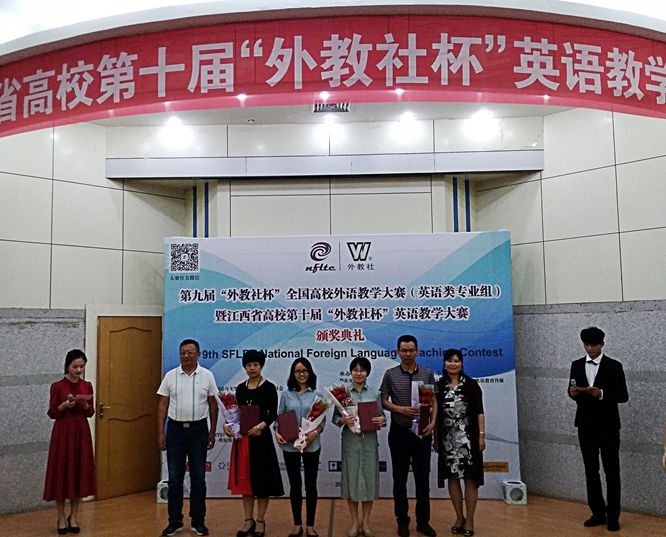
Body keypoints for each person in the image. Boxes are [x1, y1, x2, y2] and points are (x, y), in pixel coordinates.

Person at [568, 327, 628, 532]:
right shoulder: (576, 365)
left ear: (602, 344)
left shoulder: (614, 366)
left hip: (608, 426)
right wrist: (573, 393)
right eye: (586, 345)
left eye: (593, 345)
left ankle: (613, 516)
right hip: (585, 425)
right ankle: (597, 512)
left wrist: (602, 393)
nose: (590, 348)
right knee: (590, 470)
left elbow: (623, 395)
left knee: (612, 470)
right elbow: (571, 390)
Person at [157, 339, 219, 537]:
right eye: (183, 352)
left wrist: (212, 431)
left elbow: (213, 405)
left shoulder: (207, 376)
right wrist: (161, 432)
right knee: (175, 479)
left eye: (190, 352)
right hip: (175, 431)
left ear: (198, 354)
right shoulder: (170, 376)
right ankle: (174, 521)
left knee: (198, 479)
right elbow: (163, 404)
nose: (186, 356)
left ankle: (198, 521)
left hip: (198, 430)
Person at [380, 335, 438, 537]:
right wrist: (400, 409)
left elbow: (434, 400)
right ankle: (402, 521)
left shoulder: (427, 373)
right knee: (399, 481)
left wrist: (432, 423)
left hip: (422, 433)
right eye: (404, 350)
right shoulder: (390, 374)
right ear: (398, 352)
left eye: (411, 350)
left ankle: (423, 522)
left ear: (417, 351)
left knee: (423, 480)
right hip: (399, 433)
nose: (407, 354)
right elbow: (383, 400)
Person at [224, 350, 284, 537]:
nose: (252, 368)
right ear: (244, 367)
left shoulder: (269, 387)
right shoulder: (240, 389)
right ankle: (248, 520)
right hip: (244, 441)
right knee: (246, 482)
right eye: (249, 365)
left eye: (255, 364)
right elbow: (235, 414)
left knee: (262, 483)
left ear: (261, 365)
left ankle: (260, 520)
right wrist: (228, 426)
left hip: (262, 440)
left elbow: (272, 413)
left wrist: (261, 426)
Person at [44, 349, 96, 535]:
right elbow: (52, 413)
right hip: (63, 433)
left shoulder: (87, 385)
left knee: (78, 473)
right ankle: (60, 517)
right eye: (75, 366)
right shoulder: (57, 386)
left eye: (82, 366)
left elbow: (90, 412)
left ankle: (73, 516)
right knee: (61, 473)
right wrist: (64, 406)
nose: (79, 370)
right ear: (67, 366)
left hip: (81, 432)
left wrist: (85, 404)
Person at [434, 349, 485, 537]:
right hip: (447, 440)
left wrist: (481, 436)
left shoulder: (471, 385)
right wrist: (436, 439)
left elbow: (480, 412)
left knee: (470, 479)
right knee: (453, 478)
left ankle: (470, 519)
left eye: (456, 361)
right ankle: (459, 517)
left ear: (462, 363)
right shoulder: (439, 386)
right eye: (449, 360)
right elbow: (435, 414)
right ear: (444, 363)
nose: (453, 364)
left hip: (468, 440)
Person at [334, 357, 386, 537]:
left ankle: (366, 522)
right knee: (351, 482)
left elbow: (382, 417)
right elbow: (335, 418)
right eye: (355, 370)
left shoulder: (375, 393)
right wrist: (343, 420)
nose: (358, 373)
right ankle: (355, 522)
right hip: (351, 442)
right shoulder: (342, 394)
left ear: (367, 373)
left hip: (369, 442)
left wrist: (381, 420)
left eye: (362, 370)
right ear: (350, 372)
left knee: (369, 481)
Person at [275, 358, 325, 537]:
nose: (301, 374)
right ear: (293, 374)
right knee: (295, 486)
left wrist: (315, 433)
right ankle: (297, 525)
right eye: (298, 371)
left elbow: (322, 422)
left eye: (304, 370)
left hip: (312, 445)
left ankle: (310, 525)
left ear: (310, 372)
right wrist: (277, 432)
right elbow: (279, 417)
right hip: (290, 446)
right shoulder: (286, 394)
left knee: (311, 486)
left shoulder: (317, 394)